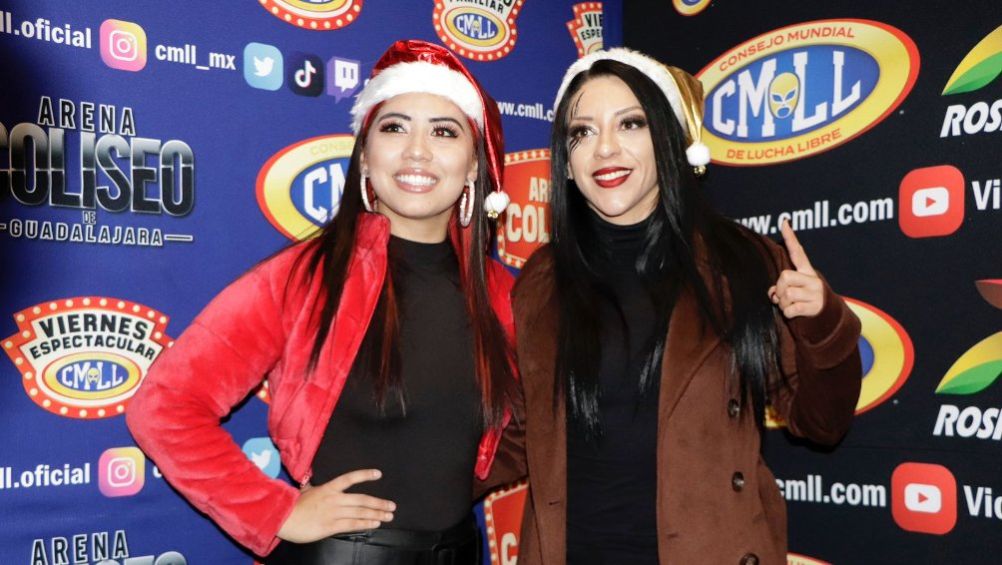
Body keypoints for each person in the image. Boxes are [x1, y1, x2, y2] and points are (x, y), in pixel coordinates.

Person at [126, 39, 519, 564]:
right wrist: (274, 512)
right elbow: (165, 405)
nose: (417, 151)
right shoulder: (303, 277)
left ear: (474, 165)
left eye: (444, 132)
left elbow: (538, 425)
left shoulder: (502, 292)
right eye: (395, 127)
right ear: (366, 155)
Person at [509, 48, 863, 564]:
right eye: (581, 132)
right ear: (565, 161)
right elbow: (515, 434)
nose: (605, 148)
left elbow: (823, 424)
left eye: (631, 124)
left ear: (671, 139)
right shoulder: (540, 282)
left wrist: (821, 324)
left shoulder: (744, 262)